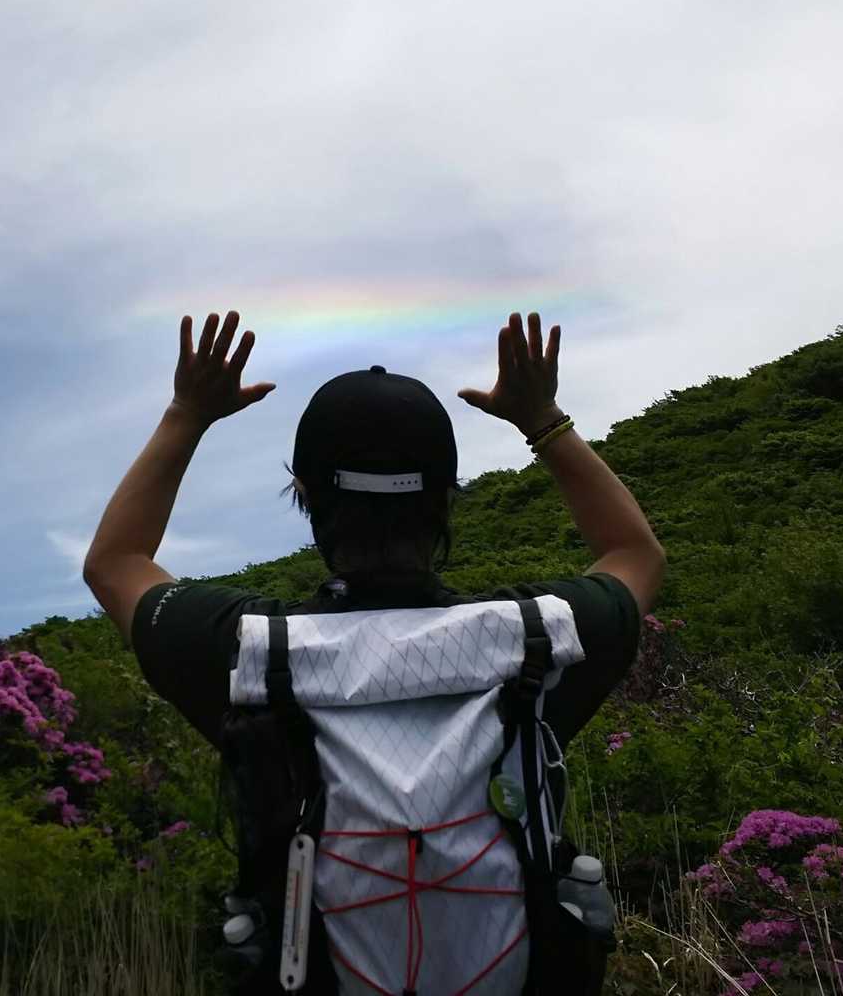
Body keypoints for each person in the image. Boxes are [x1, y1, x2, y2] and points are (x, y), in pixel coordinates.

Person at [82, 309, 664, 992]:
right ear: (447, 498)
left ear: (304, 494)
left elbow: (116, 562)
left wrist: (187, 415)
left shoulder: (250, 651)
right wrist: (543, 421)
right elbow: (635, 554)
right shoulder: (539, 637)